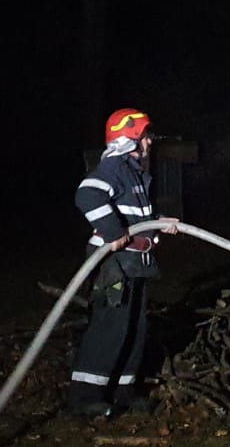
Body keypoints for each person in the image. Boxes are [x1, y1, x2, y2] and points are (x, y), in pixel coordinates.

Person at [66, 108, 178, 417]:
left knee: (134, 328)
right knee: (110, 327)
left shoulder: (134, 173)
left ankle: (123, 393)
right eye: (145, 137)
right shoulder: (113, 168)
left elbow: (137, 217)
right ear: (130, 139)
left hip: (134, 262)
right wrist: (113, 232)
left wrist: (160, 222)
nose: (150, 142)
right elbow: (87, 195)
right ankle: (85, 398)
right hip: (114, 262)